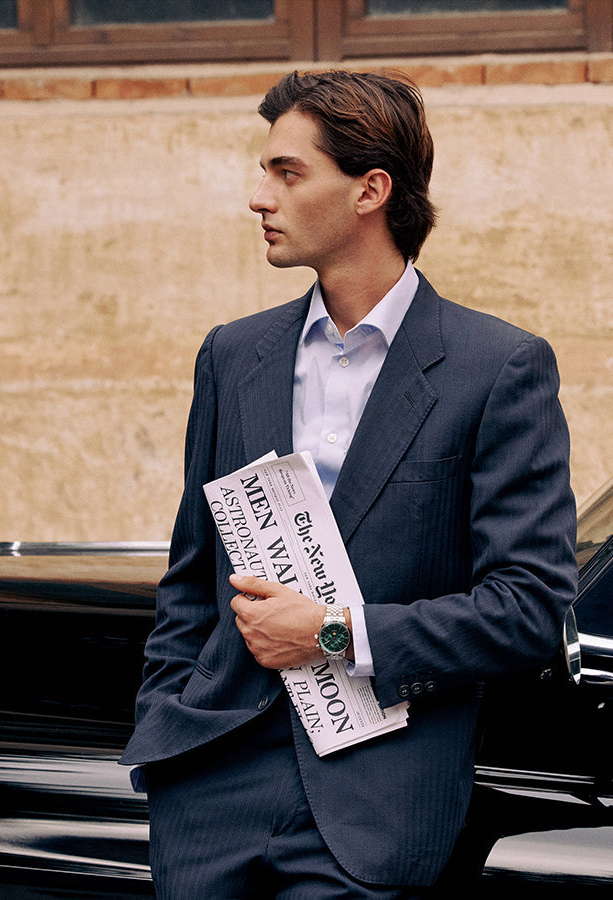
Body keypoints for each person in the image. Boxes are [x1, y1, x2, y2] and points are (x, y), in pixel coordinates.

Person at [119, 69, 576, 898]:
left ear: (371, 189)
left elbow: (530, 610)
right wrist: (168, 737)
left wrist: (333, 633)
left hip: (373, 808)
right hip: (210, 794)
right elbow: (191, 579)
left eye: (287, 173)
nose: (260, 196)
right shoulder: (233, 355)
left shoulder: (496, 368)